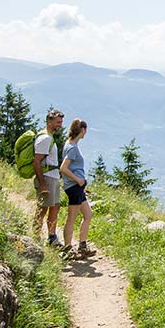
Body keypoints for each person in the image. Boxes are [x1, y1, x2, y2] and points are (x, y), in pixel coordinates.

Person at [59, 118, 96, 258]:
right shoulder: (73, 148)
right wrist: (78, 180)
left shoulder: (69, 144)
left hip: (77, 187)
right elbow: (63, 168)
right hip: (74, 186)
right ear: (82, 130)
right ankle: (68, 249)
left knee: (88, 214)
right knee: (72, 218)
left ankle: (82, 246)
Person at [32, 109, 64, 245]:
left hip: (53, 177)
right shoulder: (45, 139)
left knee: (55, 206)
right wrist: (42, 183)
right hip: (47, 177)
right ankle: (35, 236)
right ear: (49, 121)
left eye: (61, 122)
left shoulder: (49, 137)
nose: (60, 125)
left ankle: (52, 236)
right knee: (43, 208)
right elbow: (36, 162)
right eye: (57, 122)